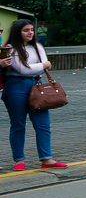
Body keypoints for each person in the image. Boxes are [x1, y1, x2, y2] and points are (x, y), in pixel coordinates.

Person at [2, 19, 67, 170]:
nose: (30, 33)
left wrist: (39, 66)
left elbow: (41, 68)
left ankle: (47, 158)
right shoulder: (10, 49)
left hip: (37, 86)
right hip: (16, 87)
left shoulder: (37, 46)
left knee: (43, 124)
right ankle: (19, 160)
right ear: (17, 32)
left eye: (31, 29)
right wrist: (43, 65)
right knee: (18, 124)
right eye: (26, 30)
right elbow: (23, 69)